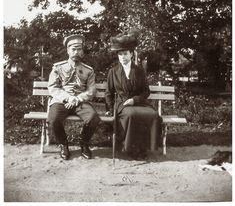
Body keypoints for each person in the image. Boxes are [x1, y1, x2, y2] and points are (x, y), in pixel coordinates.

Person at [105, 31, 162, 160]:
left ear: (131, 54)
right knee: (131, 115)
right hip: (122, 104)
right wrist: (109, 109)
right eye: (120, 54)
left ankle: (144, 148)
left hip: (138, 103)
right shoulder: (113, 72)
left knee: (153, 115)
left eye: (125, 53)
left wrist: (135, 100)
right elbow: (109, 93)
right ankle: (129, 148)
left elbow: (146, 91)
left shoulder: (139, 71)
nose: (123, 57)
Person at [47, 34, 101, 160]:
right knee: (53, 119)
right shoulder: (58, 67)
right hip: (62, 101)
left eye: (79, 49)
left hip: (80, 101)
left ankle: (84, 143)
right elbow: (53, 87)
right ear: (67, 50)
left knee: (93, 118)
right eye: (73, 49)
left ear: (82, 51)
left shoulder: (88, 70)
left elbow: (92, 89)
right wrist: (68, 98)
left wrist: (78, 98)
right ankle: (63, 144)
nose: (76, 52)